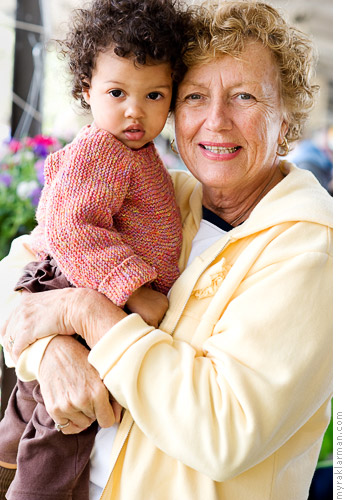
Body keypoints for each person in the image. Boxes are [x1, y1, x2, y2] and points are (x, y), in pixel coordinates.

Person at [0, 1, 332, 499]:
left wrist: (86, 313)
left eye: (243, 97)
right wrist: (51, 350)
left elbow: (224, 434)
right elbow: (19, 275)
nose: (216, 121)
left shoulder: (312, 246)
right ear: (175, 111)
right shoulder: (166, 198)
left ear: (286, 118)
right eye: (196, 96)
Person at [0, 0, 194, 498]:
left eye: (154, 94)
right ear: (86, 90)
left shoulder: (138, 153)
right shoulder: (103, 150)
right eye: (117, 92)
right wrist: (132, 290)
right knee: (68, 423)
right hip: (77, 280)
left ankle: (4, 456)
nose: (135, 109)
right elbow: (70, 228)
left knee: (31, 404)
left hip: (75, 282)